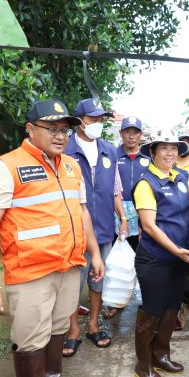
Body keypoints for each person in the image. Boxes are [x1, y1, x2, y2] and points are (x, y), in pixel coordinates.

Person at [0, 99, 105, 377]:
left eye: (65, 130)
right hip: (31, 273)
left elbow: (82, 211)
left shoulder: (72, 166)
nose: (60, 136)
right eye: (52, 128)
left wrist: (95, 253)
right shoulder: (5, 166)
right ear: (31, 129)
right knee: (30, 340)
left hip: (69, 268)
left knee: (58, 330)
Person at [63, 98, 128, 356]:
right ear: (79, 121)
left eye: (101, 119)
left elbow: (115, 189)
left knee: (98, 279)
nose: (98, 124)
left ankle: (92, 324)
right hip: (72, 231)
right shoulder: (64, 150)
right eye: (92, 119)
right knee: (71, 283)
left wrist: (123, 218)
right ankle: (72, 330)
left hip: (102, 229)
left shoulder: (110, 151)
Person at [132, 131, 189, 377]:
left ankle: (161, 355)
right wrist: (176, 250)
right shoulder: (146, 183)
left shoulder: (180, 177)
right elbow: (149, 226)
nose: (170, 153)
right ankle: (143, 364)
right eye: (164, 148)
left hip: (178, 258)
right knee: (152, 310)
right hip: (156, 259)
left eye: (174, 148)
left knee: (171, 308)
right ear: (153, 152)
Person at [108, 116, 150, 319]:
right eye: (127, 131)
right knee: (117, 258)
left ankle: (148, 299)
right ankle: (116, 301)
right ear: (121, 133)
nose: (131, 136)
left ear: (141, 135)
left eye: (135, 132)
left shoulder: (148, 157)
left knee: (142, 255)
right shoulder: (112, 155)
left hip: (142, 211)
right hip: (117, 212)